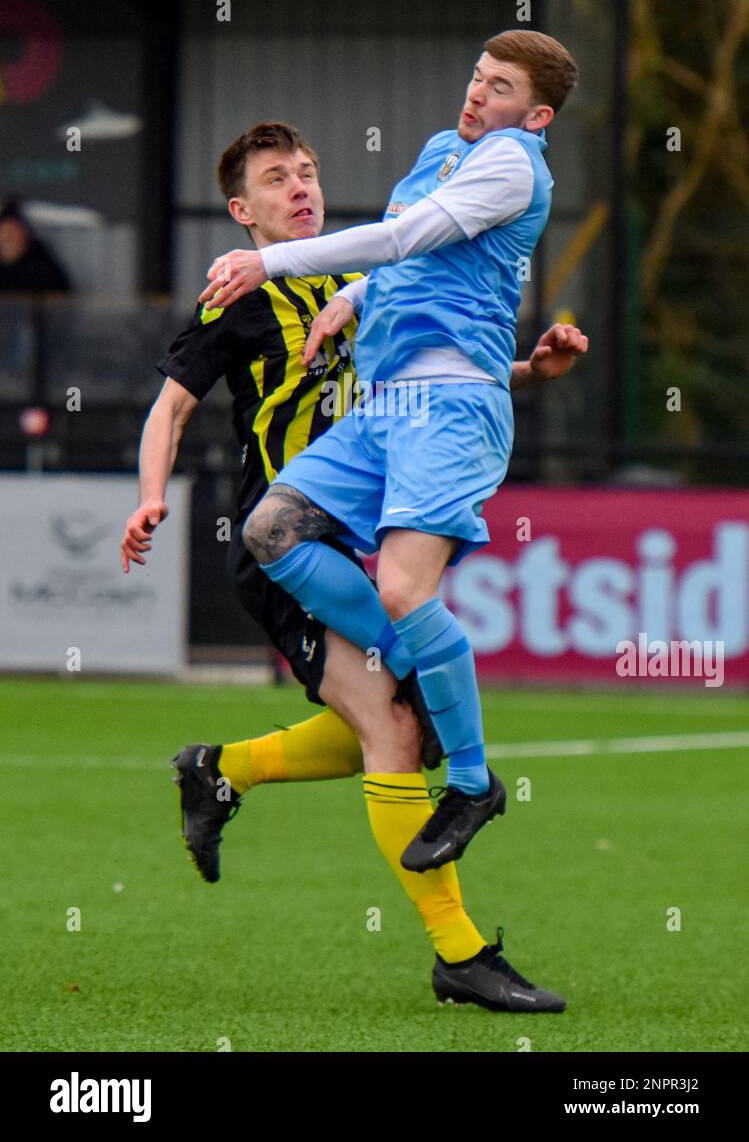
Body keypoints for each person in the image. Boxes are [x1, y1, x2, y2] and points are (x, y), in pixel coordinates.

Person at [122, 118, 586, 1013]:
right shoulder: (241, 295)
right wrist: (149, 495)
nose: (299, 187)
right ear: (239, 211)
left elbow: (434, 374)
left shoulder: (363, 278)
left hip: (355, 536)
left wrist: (530, 368)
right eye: (273, 180)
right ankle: (458, 953)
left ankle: (223, 769)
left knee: (399, 715)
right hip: (288, 552)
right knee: (395, 730)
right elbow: (168, 409)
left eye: (306, 171)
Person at [200, 29, 579, 889]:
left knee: (404, 590)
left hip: (448, 405)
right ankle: (420, 674)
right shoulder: (448, 149)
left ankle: (474, 783)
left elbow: (406, 238)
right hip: (388, 405)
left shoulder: (514, 163)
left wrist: (276, 264)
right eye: (478, 77)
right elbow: (412, 254)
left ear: (537, 113)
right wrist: (357, 297)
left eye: (501, 87)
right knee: (273, 531)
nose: (479, 94)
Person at [0, 197, 71, 294]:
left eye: (14, 232)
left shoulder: (42, 266)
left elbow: (61, 297)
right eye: (5, 232)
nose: (9, 237)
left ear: (24, 234)